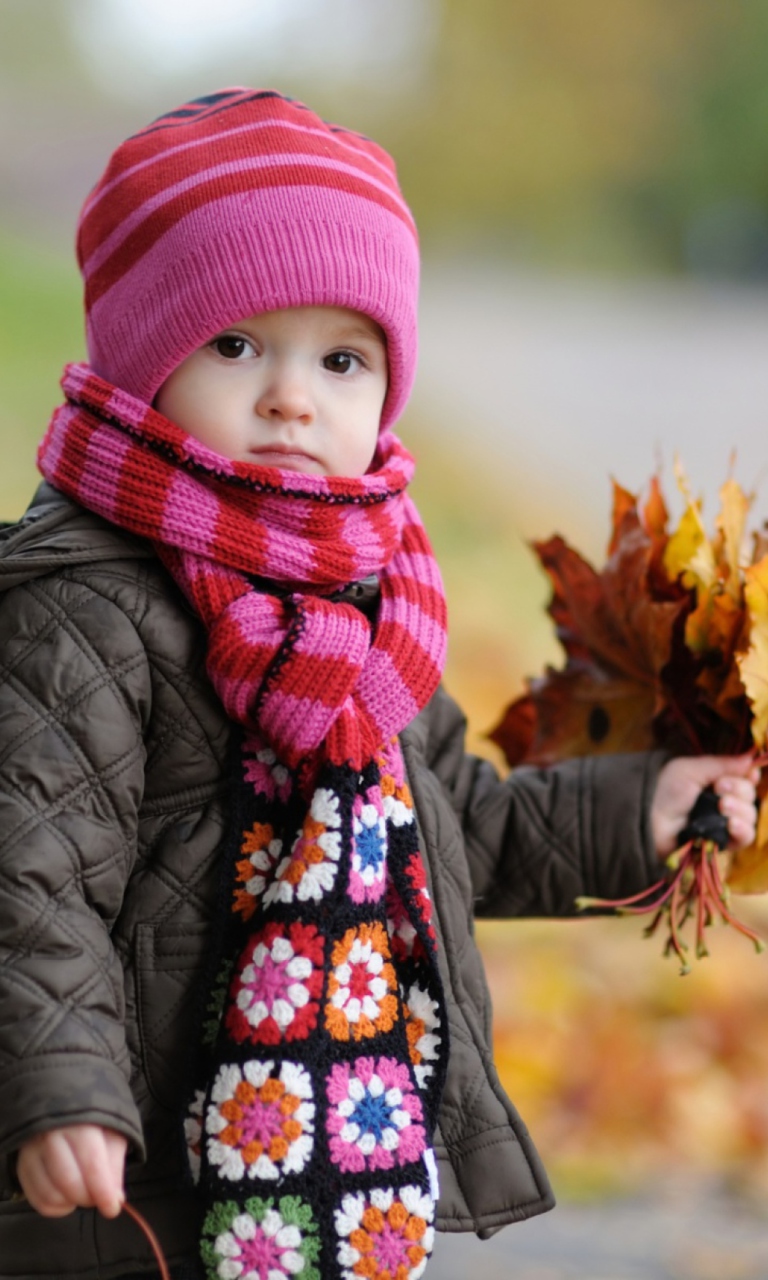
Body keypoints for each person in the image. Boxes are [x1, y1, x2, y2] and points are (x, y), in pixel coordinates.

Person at [0, 88, 758, 1280]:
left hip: (316, 1154)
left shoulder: (367, 610)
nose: (294, 395)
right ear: (140, 360)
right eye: (237, 343)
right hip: (131, 1162)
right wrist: (59, 1086)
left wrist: (639, 811)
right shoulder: (85, 605)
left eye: (342, 358)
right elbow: (32, 874)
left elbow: (454, 826)